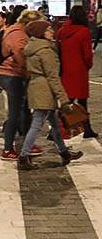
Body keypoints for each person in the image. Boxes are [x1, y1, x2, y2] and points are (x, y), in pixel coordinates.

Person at [18, 20, 83, 170]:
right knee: (37, 124)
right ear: (41, 32)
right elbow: (53, 76)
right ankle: (23, 156)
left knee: (54, 124)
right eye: (48, 30)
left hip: (36, 87)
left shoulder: (33, 48)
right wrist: (64, 99)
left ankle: (64, 152)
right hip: (44, 90)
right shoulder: (45, 51)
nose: (51, 32)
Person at [0, 9, 43, 160]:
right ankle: (7, 149)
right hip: (12, 75)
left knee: (23, 110)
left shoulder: (17, 31)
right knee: (15, 113)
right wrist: (32, 70)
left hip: (14, 74)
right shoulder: (17, 34)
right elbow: (20, 57)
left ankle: (27, 143)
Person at [57, 5, 96, 138]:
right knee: (82, 101)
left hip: (65, 70)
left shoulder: (62, 31)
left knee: (68, 101)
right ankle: (87, 128)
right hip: (79, 70)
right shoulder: (84, 31)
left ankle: (57, 130)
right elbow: (87, 55)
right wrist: (88, 65)